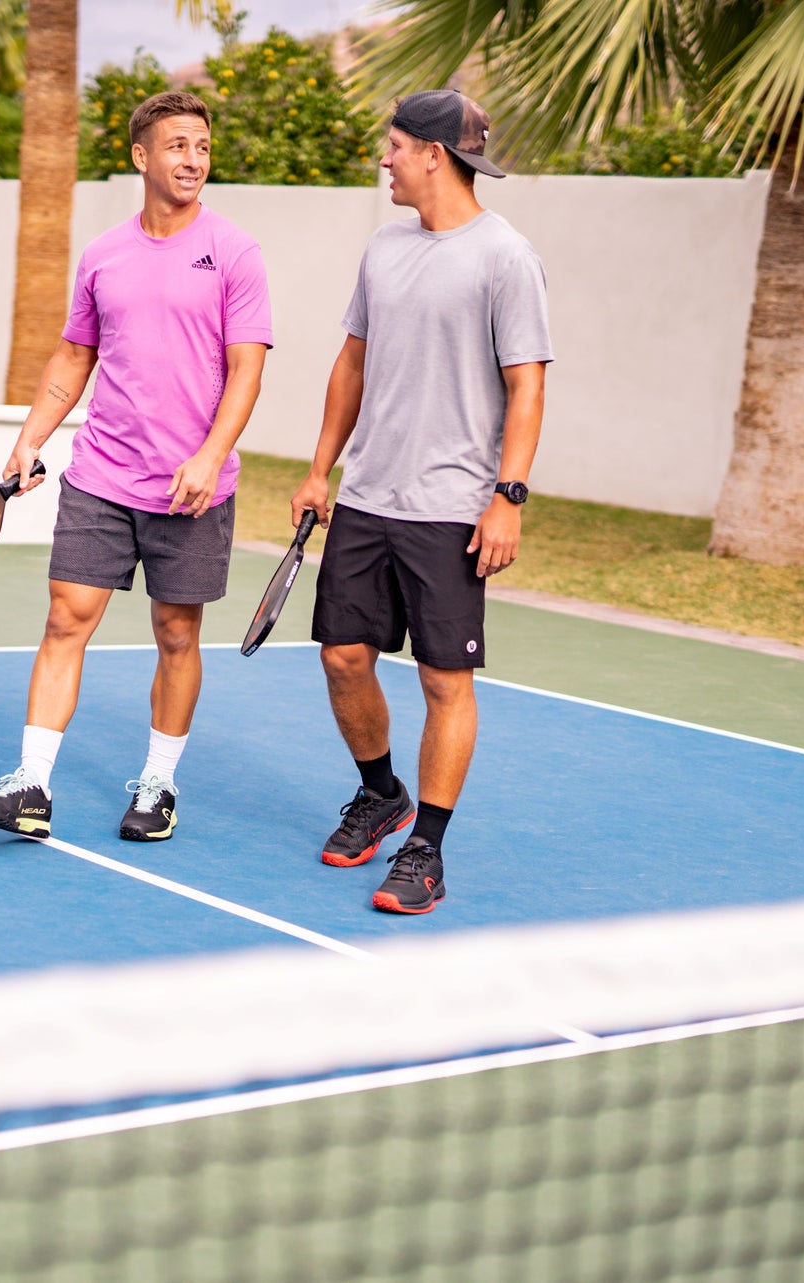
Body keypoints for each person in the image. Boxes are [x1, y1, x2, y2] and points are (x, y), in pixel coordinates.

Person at [0, 90, 271, 844]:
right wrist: (31, 435)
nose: (192, 159)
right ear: (141, 156)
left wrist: (208, 455)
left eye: (201, 145)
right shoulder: (103, 253)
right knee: (65, 617)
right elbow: (77, 353)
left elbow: (247, 370)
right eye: (177, 145)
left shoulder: (235, 252)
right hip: (101, 472)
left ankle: (158, 784)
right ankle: (32, 783)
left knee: (175, 633)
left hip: (190, 487)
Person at [291, 89, 551, 915]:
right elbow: (351, 363)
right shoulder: (384, 248)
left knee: (445, 681)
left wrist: (507, 496)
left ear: (434, 153)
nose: (385, 160)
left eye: (394, 146)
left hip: (450, 506)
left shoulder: (506, 256)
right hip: (368, 495)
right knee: (342, 656)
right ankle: (381, 792)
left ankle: (426, 849)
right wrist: (319, 469)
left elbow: (527, 385)